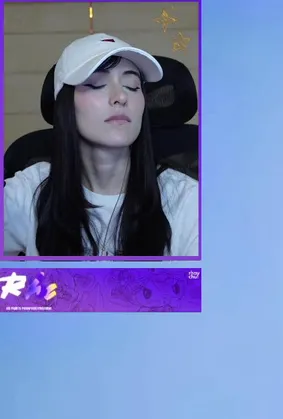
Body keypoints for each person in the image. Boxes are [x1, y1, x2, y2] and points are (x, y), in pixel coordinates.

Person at [3, 33, 198, 257]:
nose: (120, 97)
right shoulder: (29, 190)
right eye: (97, 85)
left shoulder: (186, 200)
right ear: (66, 105)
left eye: (132, 86)